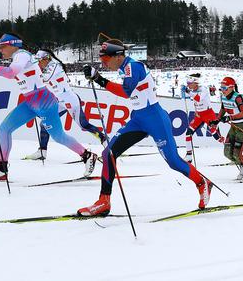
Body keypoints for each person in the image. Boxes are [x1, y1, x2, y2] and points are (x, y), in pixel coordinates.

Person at [77, 39, 212, 216]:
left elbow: (126, 92)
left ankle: (202, 182)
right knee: (108, 153)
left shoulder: (133, 67)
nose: (103, 63)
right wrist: (96, 75)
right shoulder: (124, 67)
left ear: (117, 56)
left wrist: (99, 79)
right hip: (138, 119)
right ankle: (104, 201)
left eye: (105, 60)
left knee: (173, 161)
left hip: (155, 118)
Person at [0, 33, 97, 181]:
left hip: (44, 102)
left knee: (58, 136)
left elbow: (10, 73)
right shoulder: (19, 56)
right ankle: (1, 169)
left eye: (2, 46)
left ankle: (87, 155)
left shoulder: (22, 55)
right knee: (4, 130)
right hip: (31, 102)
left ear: (13, 44)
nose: (0, 50)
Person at [24, 50, 106, 161]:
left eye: (39, 61)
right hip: (59, 101)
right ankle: (42, 151)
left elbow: (43, 78)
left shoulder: (54, 65)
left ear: (46, 58)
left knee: (83, 125)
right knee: (44, 123)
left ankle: (106, 142)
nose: (38, 64)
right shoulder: (47, 65)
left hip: (70, 100)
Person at [181, 73, 224, 163]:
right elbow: (196, 103)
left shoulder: (203, 89)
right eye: (187, 83)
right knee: (188, 133)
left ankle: (229, 149)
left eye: (189, 83)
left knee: (216, 135)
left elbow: (198, 99)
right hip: (199, 115)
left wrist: (188, 92)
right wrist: (196, 111)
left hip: (208, 114)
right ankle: (189, 156)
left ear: (195, 83)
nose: (188, 85)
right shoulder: (192, 90)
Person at [218, 76, 243, 182]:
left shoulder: (237, 97)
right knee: (227, 152)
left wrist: (230, 117)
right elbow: (223, 109)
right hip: (233, 126)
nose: (222, 90)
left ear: (231, 87)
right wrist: (217, 120)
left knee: (238, 153)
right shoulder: (223, 97)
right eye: (221, 88)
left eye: (224, 88)